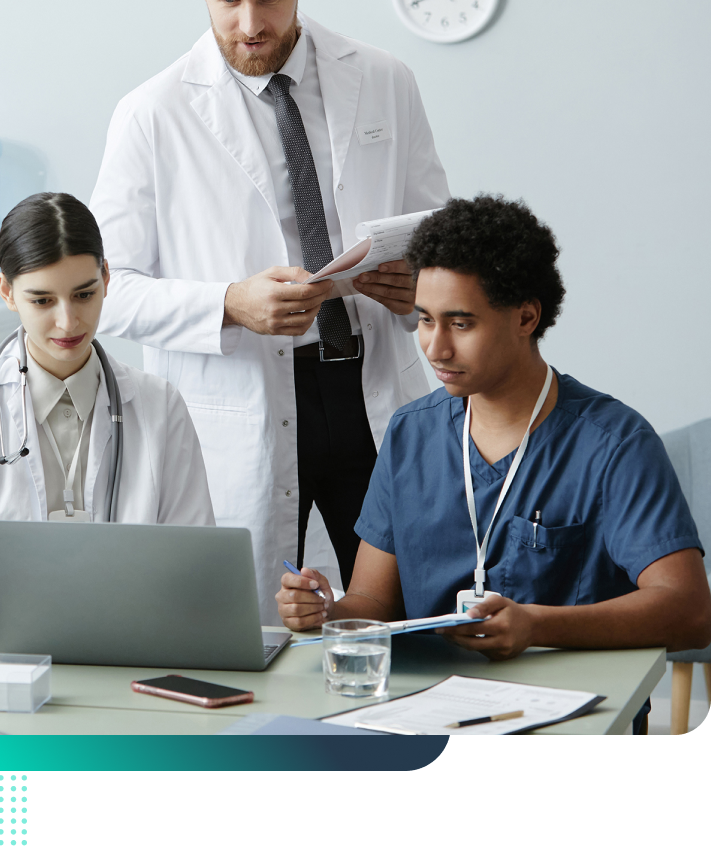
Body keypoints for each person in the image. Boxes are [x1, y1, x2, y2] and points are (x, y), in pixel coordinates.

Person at [89, 0, 450, 619]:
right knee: (247, 629)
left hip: (371, 388)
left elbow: (443, 235)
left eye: (269, 1)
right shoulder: (151, 114)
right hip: (241, 402)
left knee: (408, 619)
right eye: (227, 3)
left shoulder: (383, 80)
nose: (249, 25)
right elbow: (108, 290)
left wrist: (422, 286)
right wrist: (229, 302)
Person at [276, 195, 711, 663]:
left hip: (570, 709)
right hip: (434, 706)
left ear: (526, 317)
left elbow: (691, 614)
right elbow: (373, 605)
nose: (436, 349)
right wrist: (327, 611)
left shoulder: (613, 443)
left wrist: (536, 625)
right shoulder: (410, 434)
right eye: (425, 320)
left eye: (460, 324)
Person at [0, 193, 215, 621]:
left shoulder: (160, 405)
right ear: (7, 293)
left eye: (84, 294)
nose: (68, 322)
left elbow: (191, 558)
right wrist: (40, 611)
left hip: (129, 635)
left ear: (106, 278)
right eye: (42, 300)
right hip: (3, 639)